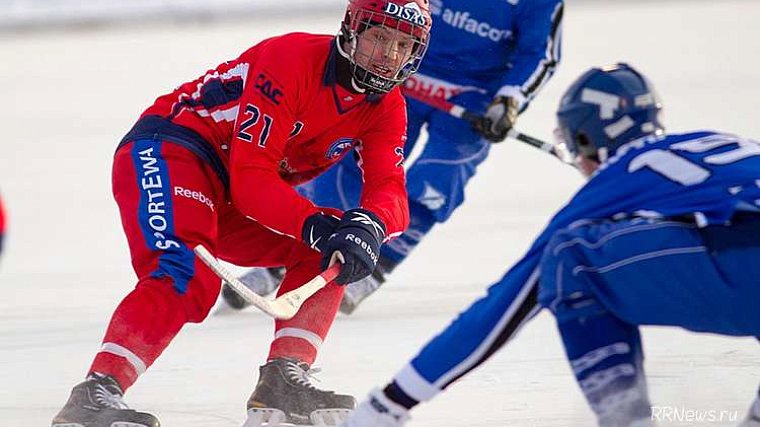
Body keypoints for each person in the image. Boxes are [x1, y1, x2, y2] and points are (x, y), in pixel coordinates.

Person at [50, 1, 432, 426]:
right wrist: (313, 225)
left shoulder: (387, 106)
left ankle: (284, 379)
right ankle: (96, 392)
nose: (389, 56)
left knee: (333, 250)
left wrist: (371, 226)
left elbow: (389, 188)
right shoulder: (289, 59)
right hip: (172, 149)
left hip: (228, 186)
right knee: (187, 271)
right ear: (350, 30)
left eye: (402, 45)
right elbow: (252, 178)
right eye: (379, 37)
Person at [339, 63, 760, 427]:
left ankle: (626, 416)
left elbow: (503, 305)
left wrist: (390, 402)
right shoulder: (720, 144)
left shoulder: (619, 177)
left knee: (569, 256)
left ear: (585, 140)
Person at [222, 0, 564, 314]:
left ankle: (375, 264)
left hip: (474, 97)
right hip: (398, 76)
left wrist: (510, 99)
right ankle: (285, 258)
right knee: (345, 164)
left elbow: (540, 52)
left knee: (437, 180)